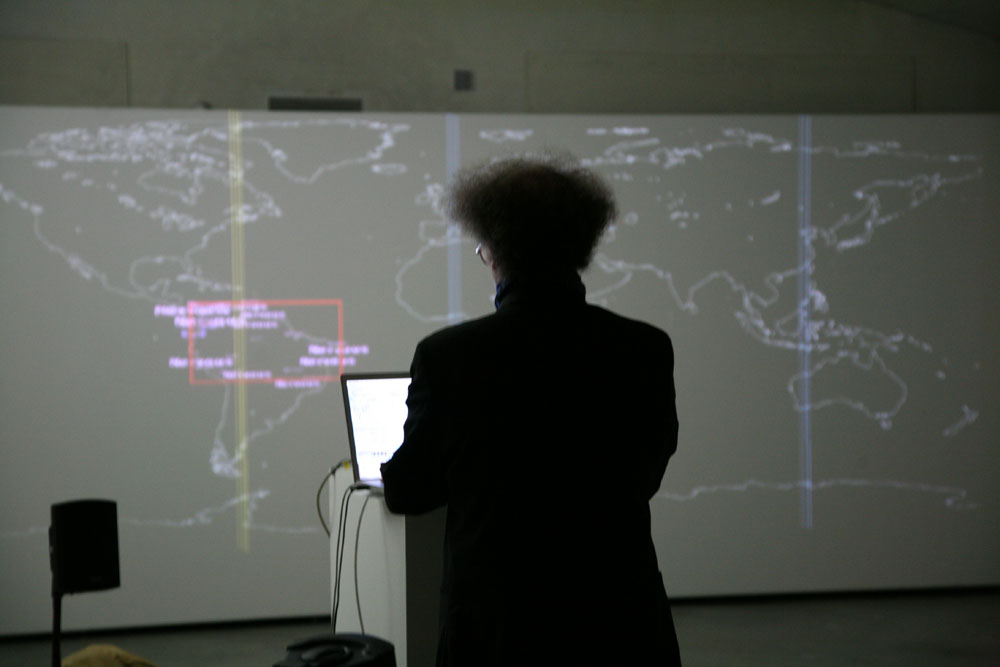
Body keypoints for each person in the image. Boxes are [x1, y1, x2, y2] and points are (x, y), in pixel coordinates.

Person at [380, 154, 682, 666]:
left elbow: (410, 490)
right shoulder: (645, 348)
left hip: (499, 627)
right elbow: (644, 475)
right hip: (621, 618)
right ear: (580, 248)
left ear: (494, 252)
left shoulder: (448, 356)